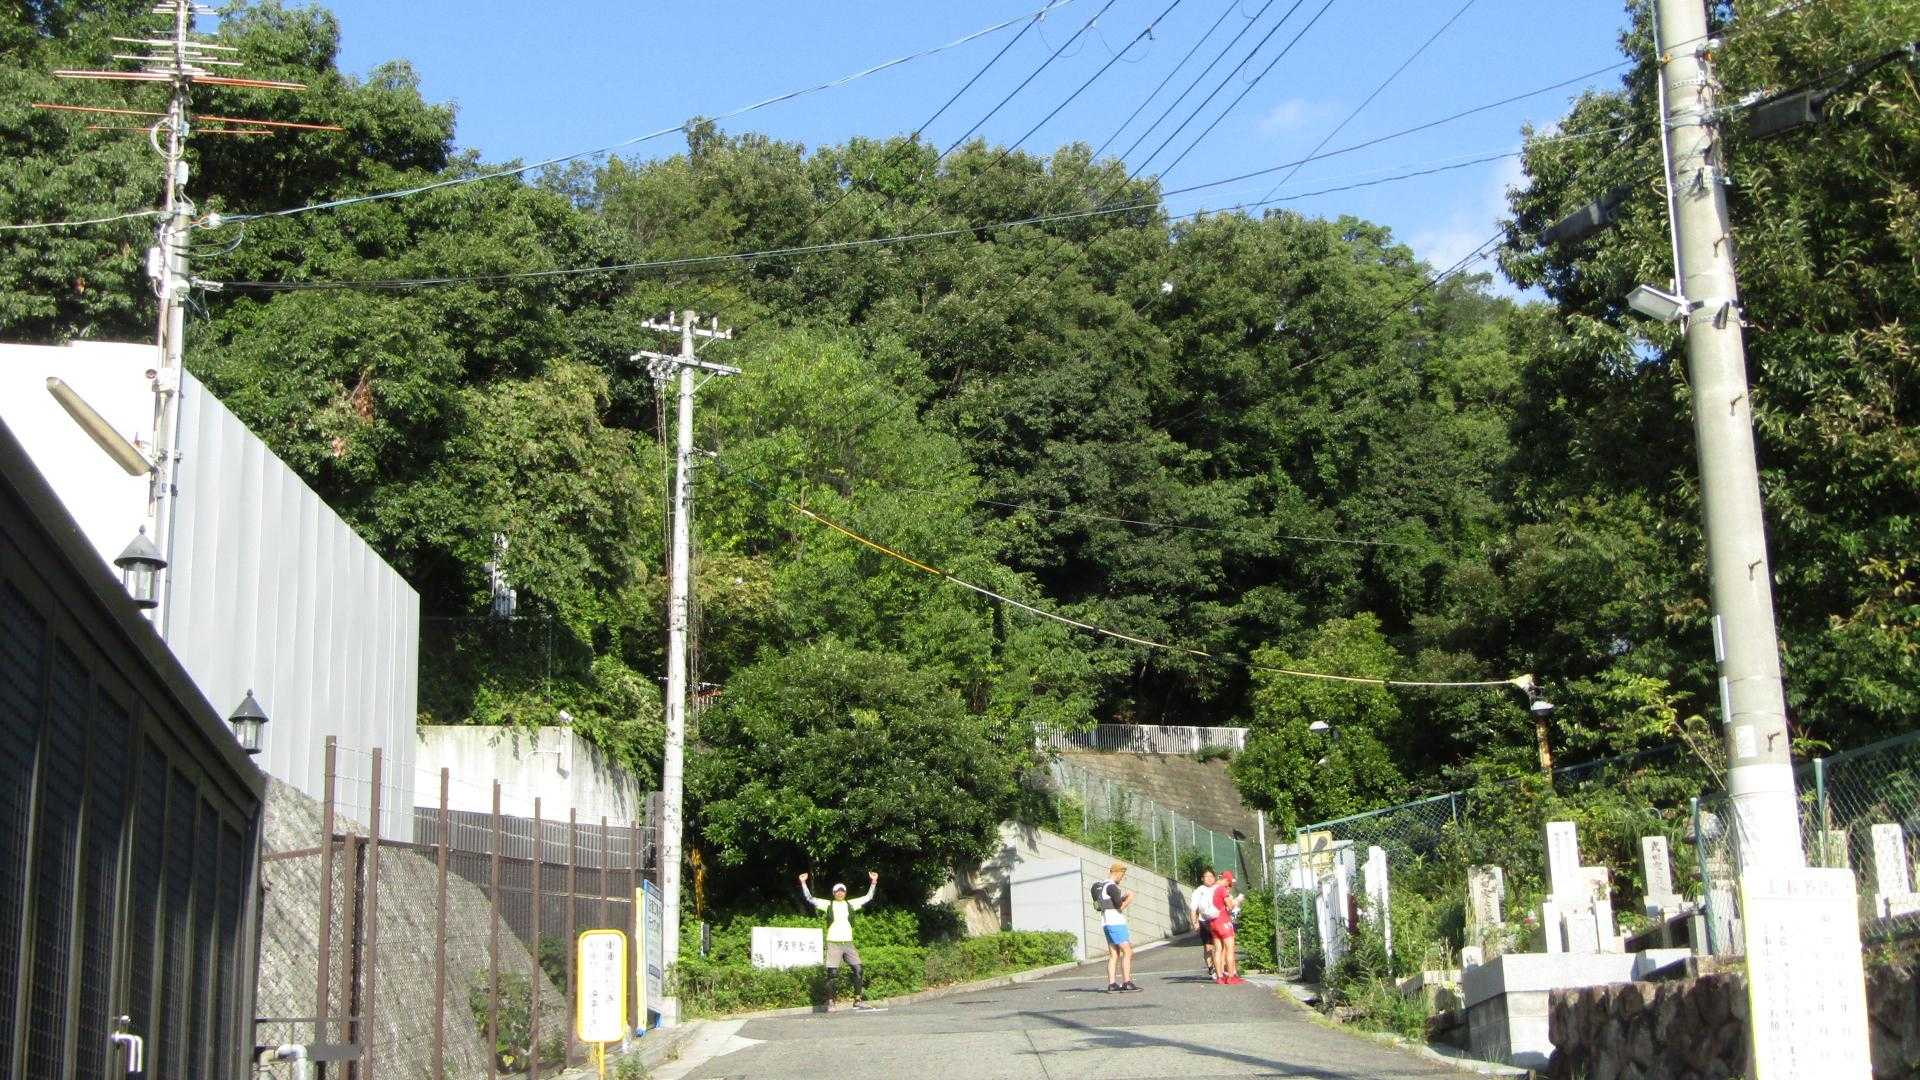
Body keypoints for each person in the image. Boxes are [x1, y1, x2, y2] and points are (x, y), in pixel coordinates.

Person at [799, 870, 879, 1010]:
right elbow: (810, 898)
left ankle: (858, 1000)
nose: (840, 893)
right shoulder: (828, 904)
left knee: (858, 969)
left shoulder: (850, 904)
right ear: (833, 893)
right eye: (837, 891)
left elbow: (868, 897)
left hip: (848, 943)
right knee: (832, 973)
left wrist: (873, 881)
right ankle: (830, 1002)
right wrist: (803, 882)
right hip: (833, 942)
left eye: (842, 891)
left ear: (845, 893)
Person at [1093, 862, 1141, 993]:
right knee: (1127, 951)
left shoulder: (1101, 886)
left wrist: (1122, 898)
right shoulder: (1112, 887)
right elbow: (1119, 907)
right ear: (1118, 873)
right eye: (1123, 875)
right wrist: (1129, 898)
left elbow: (1105, 904)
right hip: (1115, 923)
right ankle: (1127, 982)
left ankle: (1112, 984)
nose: (1123, 878)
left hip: (1106, 922)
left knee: (1114, 954)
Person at [1209, 870, 1244, 984]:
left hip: (1213, 922)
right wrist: (1237, 900)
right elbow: (1230, 905)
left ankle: (1219, 977)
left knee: (1218, 949)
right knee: (1230, 949)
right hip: (1223, 921)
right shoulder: (1221, 889)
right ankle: (1231, 976)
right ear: (1226, 880)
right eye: (1229, 883)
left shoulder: (1211, 888)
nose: (1230, 886)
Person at [1189, 868, 1219, 978]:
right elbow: (1193, 909)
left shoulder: (1218, 889)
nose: (1210, 879)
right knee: (1208, 947)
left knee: (1218, 946)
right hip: (1204, 921)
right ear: (1202, 878)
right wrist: (1195, 923)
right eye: (1207, 876)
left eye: (1211, 876)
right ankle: (1211, 968)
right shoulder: (1198, 891)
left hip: (1218, 920)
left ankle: (1219, 968)